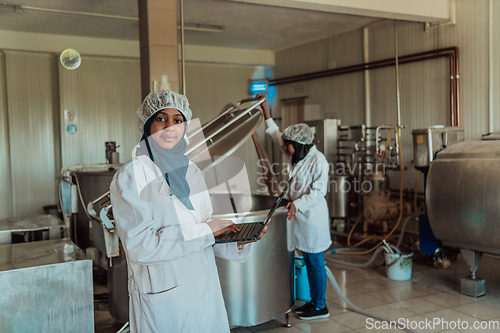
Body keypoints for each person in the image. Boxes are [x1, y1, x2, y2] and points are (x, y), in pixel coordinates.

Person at [110, 89, 268, 332]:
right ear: (148, 125)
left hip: (204, 290)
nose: (169, 127)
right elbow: (141, 247)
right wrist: (206, 231)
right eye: (161, 119)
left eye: (178, 120)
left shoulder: (191, 170)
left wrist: (236, 238)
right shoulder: (131, 176)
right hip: (164, 297)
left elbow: (205, 227)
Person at [257, 94, 331, 320]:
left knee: (316, 261)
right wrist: (265, 110)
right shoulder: (298, 153)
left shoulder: (319, 161)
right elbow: (275, 135)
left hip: (312, 217)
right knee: (307, 260)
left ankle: (320, 307)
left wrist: (296, 205)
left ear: (298, 145)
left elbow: (318, 192)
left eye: (288, 146)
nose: (285, 148)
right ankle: (313, 302)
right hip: (298, 214)